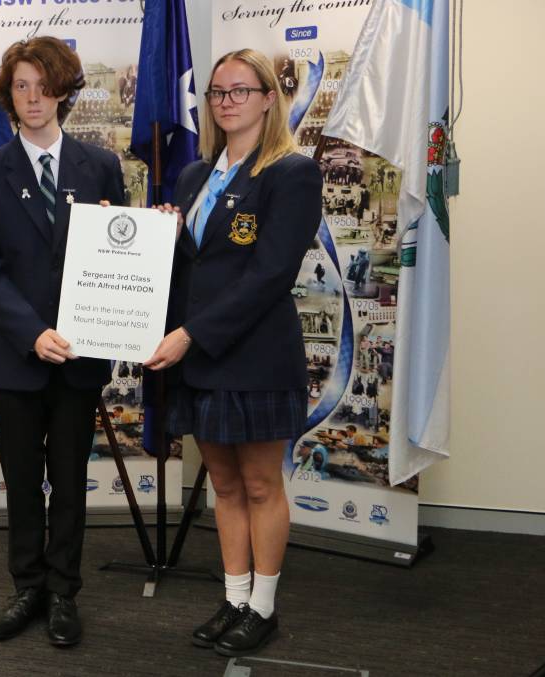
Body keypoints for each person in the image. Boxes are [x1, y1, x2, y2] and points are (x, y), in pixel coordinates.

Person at [142, 49, 322, 657]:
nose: (225, 102)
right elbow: (193, 265)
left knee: (262, 485)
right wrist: (147, 238)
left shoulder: (291, 172)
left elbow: (270, 275)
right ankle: (235, 596)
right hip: (203, 356)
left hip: (255, 354)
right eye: (217, 92)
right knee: (222, 484)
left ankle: (263, 608)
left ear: (269, 98)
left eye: (240, 91)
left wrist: (190, 336)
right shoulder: (195, 176)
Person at [0, 36, 126, 648]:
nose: (33, 97)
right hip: (17, 357)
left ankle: (63, 593)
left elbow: (120, 254)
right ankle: (26, 587)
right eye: (21, 86)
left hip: (81, 357)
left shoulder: (101, 166)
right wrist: (34, 333)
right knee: (23, 482)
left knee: (70, 478)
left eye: (43, 84)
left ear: (64, 90)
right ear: (9, 96)